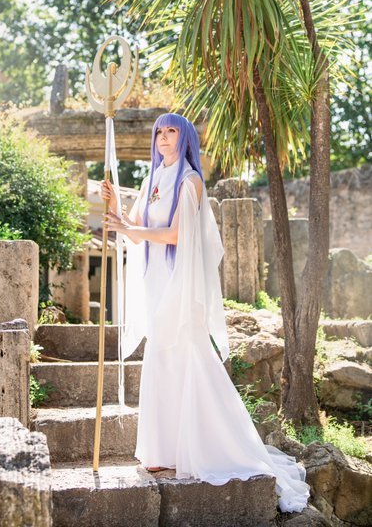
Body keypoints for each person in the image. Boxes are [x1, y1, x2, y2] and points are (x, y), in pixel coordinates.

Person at [101, 112, 310, 513]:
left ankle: (210, 446)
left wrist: (131, 230)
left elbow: (176, 235)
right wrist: (116, 209)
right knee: (161, 359)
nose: (164, 137)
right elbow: (137, 231)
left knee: (186, 357)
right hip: (156, 281)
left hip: (180, 284)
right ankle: (163, 451)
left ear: (185, 139)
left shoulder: (190, 180)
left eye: (172, 131)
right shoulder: (150, 180)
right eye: (159, 132)